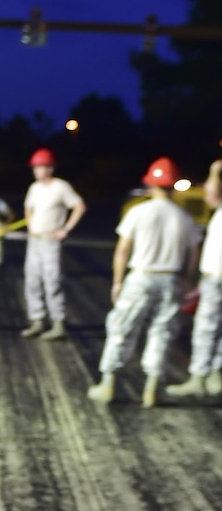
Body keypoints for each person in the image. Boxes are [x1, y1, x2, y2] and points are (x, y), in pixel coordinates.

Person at [87, 158, 202, 407]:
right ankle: (151, 389)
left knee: (122, 329)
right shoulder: (184, 217)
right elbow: (194, 252)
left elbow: (122, 249)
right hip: (170, 279)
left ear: (150, 185)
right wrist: (185, 280)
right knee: (162, 332)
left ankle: (108, 384)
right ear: (172, 186)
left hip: (141, 277)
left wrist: (117, 282)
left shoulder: (138, 212)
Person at [166, 159, 222, 400]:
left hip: (216, 278)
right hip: (213, 277)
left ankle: (199, 378)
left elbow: (211, 194)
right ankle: (215, 376)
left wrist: (214, 170)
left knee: (205, 329)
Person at [20, 148, 86, 340]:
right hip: (35, 241)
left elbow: (79, 206)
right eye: (35, 167)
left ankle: (58, 323)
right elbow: (28, 207)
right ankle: (37, 320)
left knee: (52, 281)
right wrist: (31, 224)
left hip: (50, 241)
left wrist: (65, 230)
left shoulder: (61, 187)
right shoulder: (34, 188)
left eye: (41, 167)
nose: (37, 171)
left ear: (50, 168)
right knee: (32, 281)